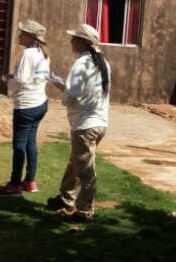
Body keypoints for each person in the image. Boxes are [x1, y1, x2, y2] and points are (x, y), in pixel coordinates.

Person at [46, 24, 110, 222]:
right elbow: (84, 92)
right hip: (98, 122)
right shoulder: (102, 63)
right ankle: (66, 198)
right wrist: (61, 85)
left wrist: (62, 92)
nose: (71, 41)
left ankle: (84, 211)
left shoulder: (82, 64)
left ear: (83, 42)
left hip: (85, 124)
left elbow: (71, 96)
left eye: (74, 38)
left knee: (85, 169)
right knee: (76, 162)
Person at [0, 20, 51, 196]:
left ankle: (15, 184)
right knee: (30, 142)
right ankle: (30, 181)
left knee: (19, 144)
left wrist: (7, 80)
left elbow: (21, 81)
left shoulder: (28, 54)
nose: (19, 35)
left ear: (30, 36)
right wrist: (14, 76)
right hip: (40, 103)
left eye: (22, 33)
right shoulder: (44, 54)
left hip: (26, 106)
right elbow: (32, 76)